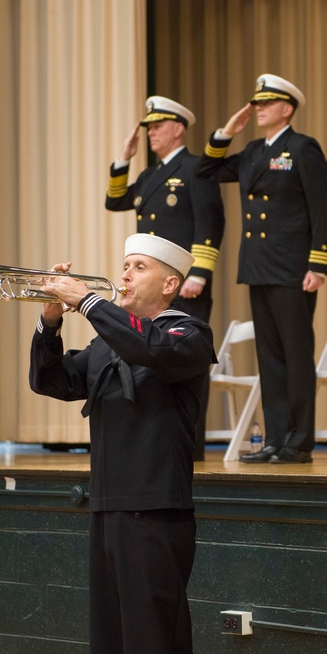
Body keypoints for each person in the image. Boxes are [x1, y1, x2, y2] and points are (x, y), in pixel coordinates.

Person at [29, 234, 214, 654]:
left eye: (139, 267)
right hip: (106, 505)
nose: (125, 275)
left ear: (169, 285)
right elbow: (50, 380)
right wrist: (51, 322)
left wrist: (90, 303)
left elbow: (150, 348)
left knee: (152, 639)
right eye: (125, 265)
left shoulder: (188, 332)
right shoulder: (107, 342)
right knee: (109, 637)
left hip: (154, 509)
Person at [196, 73, 327, 464]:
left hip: (293, 268)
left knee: (295, 354)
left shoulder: (302, 148)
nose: (258, 108)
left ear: (286, 108)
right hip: (259, 266)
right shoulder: (254, 151)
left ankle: (299, 441)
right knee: (270, 357)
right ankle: (276, 439)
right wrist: (226, 133)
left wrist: (319, 263)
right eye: (257, 102)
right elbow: (205, 172)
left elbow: (326, 208)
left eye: (266, 103)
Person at [105, 95, 226, 461]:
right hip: (152, 286)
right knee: (151, 357)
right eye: (148, 128)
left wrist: (200, 272)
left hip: (183, 280)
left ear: (178, 129)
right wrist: (124, 158)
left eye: (158, 127)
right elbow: (115, 201)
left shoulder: (195, 168)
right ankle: (154, 439)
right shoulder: (150, 175)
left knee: (186, 360)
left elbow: (210, 221)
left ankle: (191, 446)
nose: (151, 133)